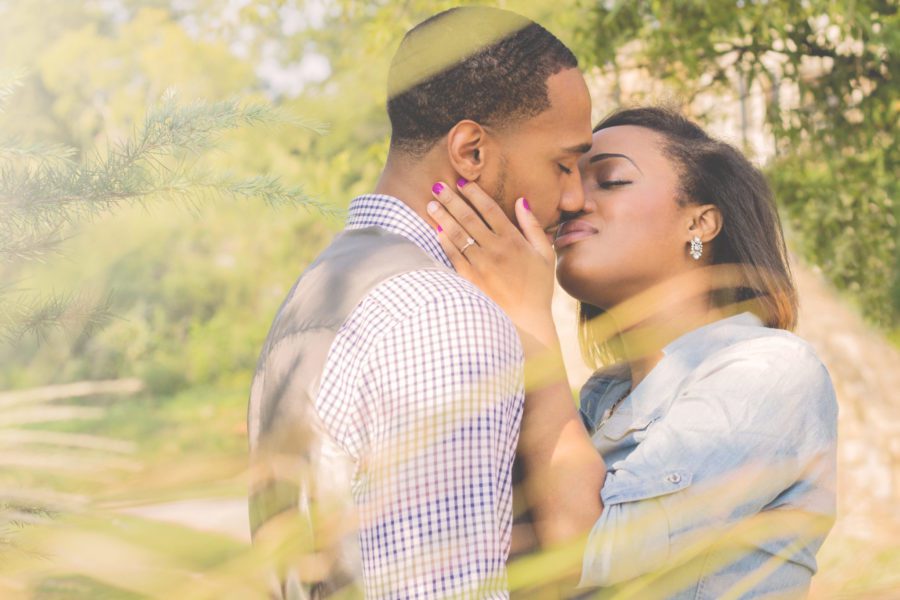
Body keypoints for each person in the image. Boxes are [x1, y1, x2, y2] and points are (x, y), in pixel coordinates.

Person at [246, 6, 592, 598]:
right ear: (471, 152)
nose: (576, 198)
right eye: (563, 165)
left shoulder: (323, 287)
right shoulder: (440, 316)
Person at [427, 107, 838, 598]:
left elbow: (585, 556)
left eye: (611, 181)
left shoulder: (770, 371)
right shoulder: (601, 397)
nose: (572, 201)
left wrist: (531, 322)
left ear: (700, 223)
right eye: (567, 179)